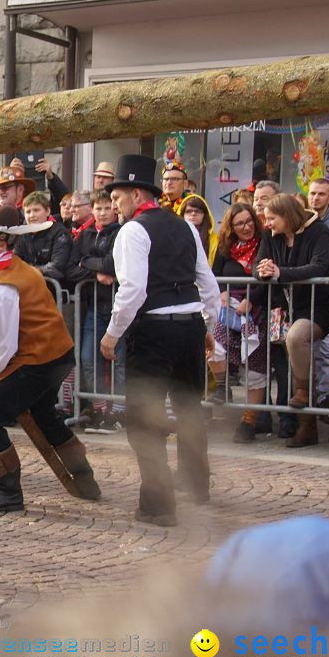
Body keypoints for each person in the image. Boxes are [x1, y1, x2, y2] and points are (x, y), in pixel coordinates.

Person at [101, 155, 220, 527]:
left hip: (153, 331)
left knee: (144, 419)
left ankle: (158, 504)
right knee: (188, 409)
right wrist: (208, 327)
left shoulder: (133, 231)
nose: (115, 205)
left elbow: (133, 289)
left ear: (136, 194)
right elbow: (208, 284)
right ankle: (197, 485)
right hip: (188, 328)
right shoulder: (185, 227)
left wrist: (112, 334)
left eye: (118, 197)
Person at [0, 205, 101, 512]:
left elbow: (1, 345)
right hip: (57, 355)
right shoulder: (17, 268)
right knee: (45, 415)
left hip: (38, 360)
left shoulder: (4, 285)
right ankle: (85, 478)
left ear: (3, 243)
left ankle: (8, 491)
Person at [254, 193, 329, 448]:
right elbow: (259, 265)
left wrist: (280, 272)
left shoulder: (319, 232)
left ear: (287, 216)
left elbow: (320, 267)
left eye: (271, 218)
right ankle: (306, 426)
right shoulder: (270, 237)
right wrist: (263, 271)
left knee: (297, 336)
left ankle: (303, 392)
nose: (267, 224)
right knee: (288, 355)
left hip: (315, 307)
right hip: (284, 308)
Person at [209, 203, 268, 441]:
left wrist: (252, 300)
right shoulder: (226, 248)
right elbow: (215, 276)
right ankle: (222, 386)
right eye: (239, 223)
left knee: (254, 365)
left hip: (257, 308)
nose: (246, 227)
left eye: (249, 221)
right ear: (231, 227)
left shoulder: (265, 244)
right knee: (215, 347)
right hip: (228, 309)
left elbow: (268, 276)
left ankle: (248, 422)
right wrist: (222, 291)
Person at [71, 190, 125, 428]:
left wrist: (87, 261)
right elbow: (71, 269)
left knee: (120, 359)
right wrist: (94, 273)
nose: (102, 213)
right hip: (95, 304)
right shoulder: (85, 235)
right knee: (87, 357)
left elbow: (112, 264)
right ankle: (100, 407)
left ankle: (121, 410)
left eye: (106, 208)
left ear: (114, 209)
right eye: (98, 208)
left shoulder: (122, 232)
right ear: (91, 211)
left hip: (119, 305)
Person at [14, 191, 72, 290]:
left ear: (48, 211)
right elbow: (15, 261)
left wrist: (28, 270)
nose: (32, 215)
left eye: (36, 210)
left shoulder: (59, 233)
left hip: (54, 293)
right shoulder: (22, 234)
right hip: (28, 290)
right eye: (28, 212)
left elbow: (56, 267)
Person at [180, 195, 219, 265]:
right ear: (182, 214)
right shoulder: (174, 236)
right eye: (188, 211)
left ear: (205, 215)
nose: (193, 214)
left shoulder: (215, 240)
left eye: (198, 211)